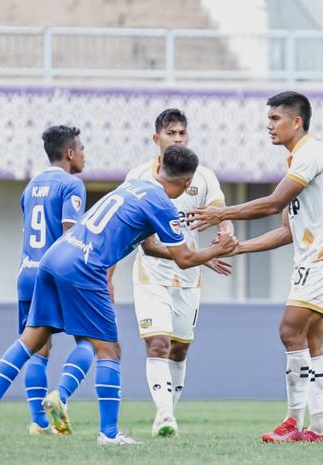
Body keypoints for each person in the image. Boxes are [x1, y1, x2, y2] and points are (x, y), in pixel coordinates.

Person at [0, 144, 238, 446]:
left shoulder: (134, 185)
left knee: (31, 338)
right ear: (188, 182)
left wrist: (202, 254)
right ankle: (109, 434)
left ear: (159, 165)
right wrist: (216, 250)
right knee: (109, 351)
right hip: (85, 268)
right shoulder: (162, 203)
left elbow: (149, 247)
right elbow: (184, 259)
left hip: (55, 256)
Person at [189, 91, 323, 443]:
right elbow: (285, 231)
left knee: (288, 332)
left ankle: (293, 423)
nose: (269, 126)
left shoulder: (309, 153)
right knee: (312, 341)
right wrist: (236, 248)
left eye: (276, 119)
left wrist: (222, 212)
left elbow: (274, 202)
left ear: (297, 122)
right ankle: (321, 428)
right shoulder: (299, 160)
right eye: (268, 119)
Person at [122, 108, 233, 437]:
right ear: (157, 139)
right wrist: (200, 255)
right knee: (158, 344)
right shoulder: (139, 177)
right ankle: (165, 415)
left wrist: (224, 233)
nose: (178, 138)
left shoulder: (203, 177)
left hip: (188, 278)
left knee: (180, 349)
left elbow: (219, 213)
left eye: (182, 133)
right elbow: (143, 241)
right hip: (151, 274)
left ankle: (167, 412)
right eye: (171, 133)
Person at [15, 125, 94, 436]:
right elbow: (68, 238)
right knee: (90, 340)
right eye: (83, 149)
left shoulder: (30, 187)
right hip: (55, 274)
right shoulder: (72, 185)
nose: (85, 155)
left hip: (25, 274)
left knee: (37, 348)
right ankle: (59, 395)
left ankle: (39, 422)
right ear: (71, 153)